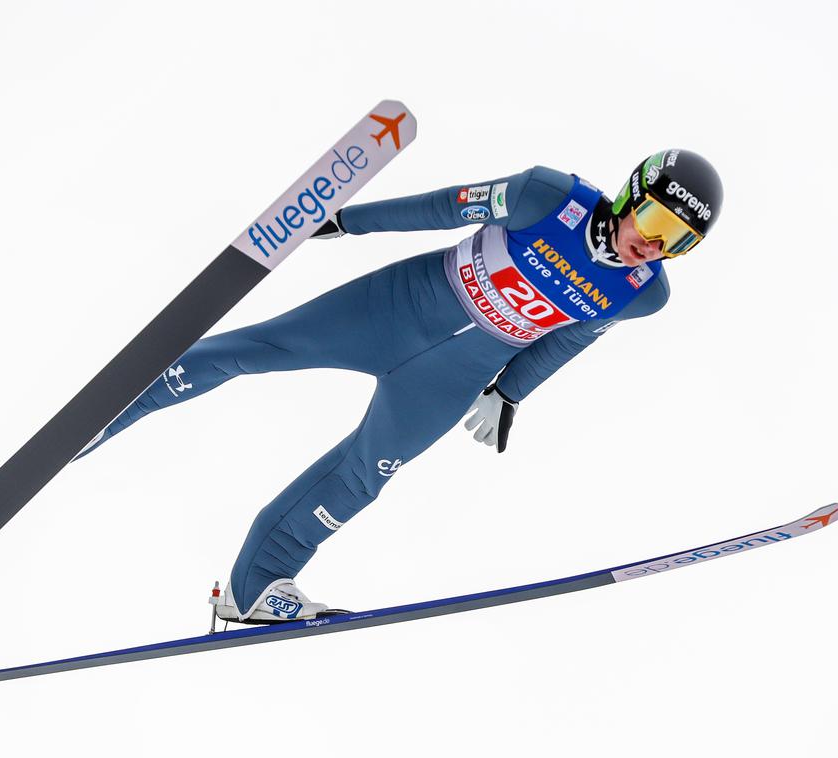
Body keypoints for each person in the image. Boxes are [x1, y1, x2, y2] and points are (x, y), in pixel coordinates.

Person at [78, 149, 723, 623]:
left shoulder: (643, 295)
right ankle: (113, 407)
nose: (654, 244)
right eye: (654, 220)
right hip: (405, 306)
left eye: (678, 241)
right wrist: (346, 222)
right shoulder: (546, 197)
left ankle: (258, 586)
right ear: (629, 194)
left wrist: (509, 393)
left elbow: (571, 336)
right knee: (264, 350)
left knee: (366, 475)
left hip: (456, 374)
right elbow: (444, 207)